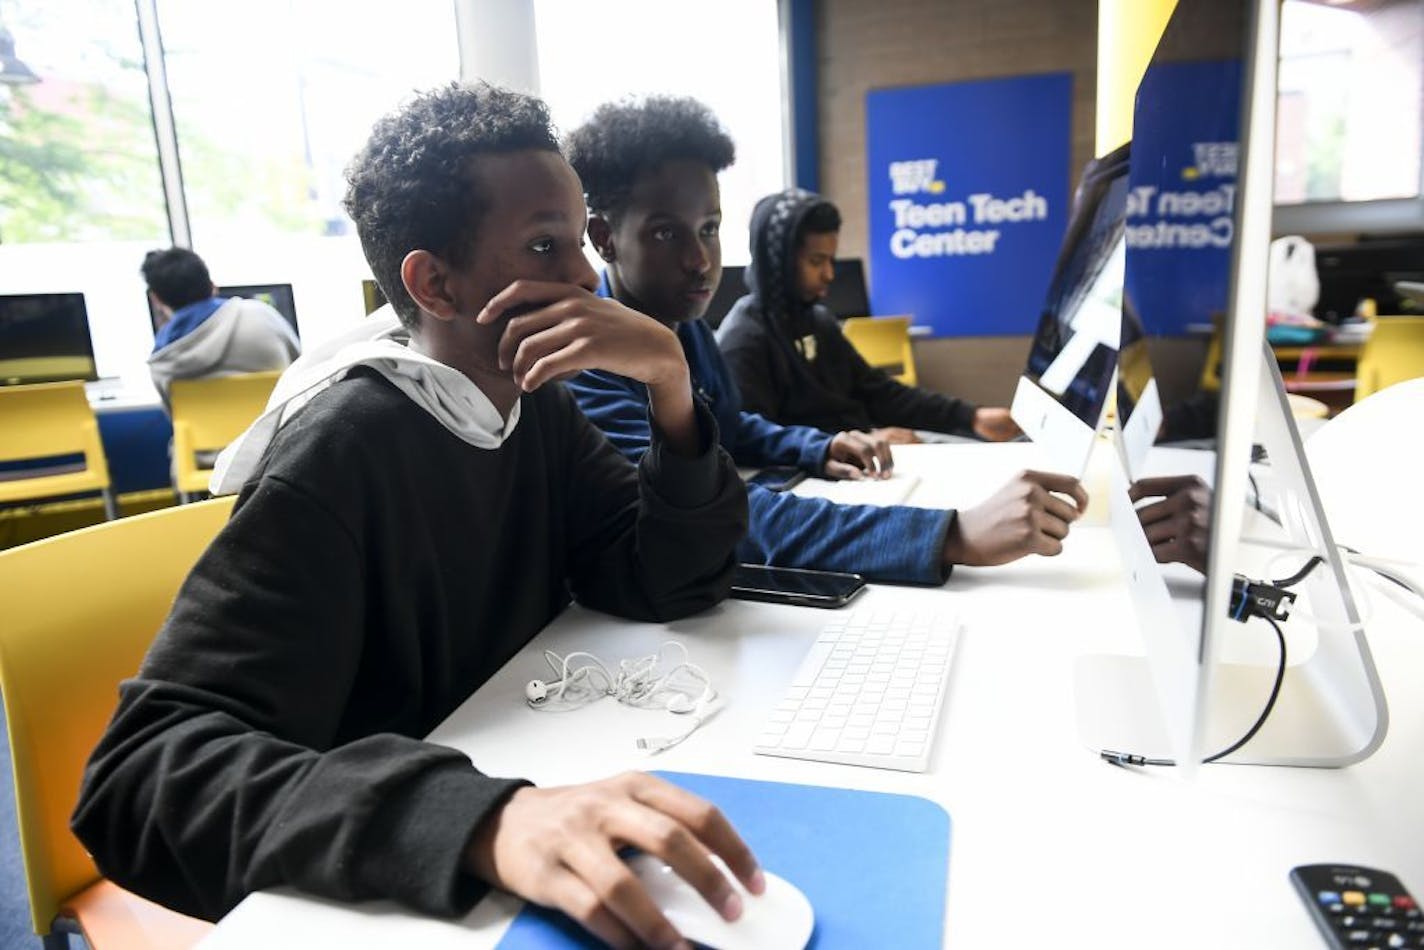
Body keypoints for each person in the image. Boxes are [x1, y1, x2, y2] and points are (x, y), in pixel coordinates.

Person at [74, 82, 765, 950]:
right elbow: (139, 780)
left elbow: (668, 578)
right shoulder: (347, 447)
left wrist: (670, 386)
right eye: (547, 246)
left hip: (500, 791)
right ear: (434, 282)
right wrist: (482, 820)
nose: (588, 276)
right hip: (395, 878)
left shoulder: (529, 405)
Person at [563, 96, 1088, 586]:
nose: (700, 260)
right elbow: (712, 513)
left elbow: (730, 423)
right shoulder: (585, 366)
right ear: (605, 238)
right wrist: (953, 534)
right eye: (664, 233)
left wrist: (817, 445)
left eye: (709, 229)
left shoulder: (685, 325)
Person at [716, 189, 1021, 446]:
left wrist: (971, 416)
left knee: (1000, 451)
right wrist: (863, 440)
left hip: (864, 449)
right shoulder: (744, 341)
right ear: (778, 264)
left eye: (831, 260)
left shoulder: (818, 322)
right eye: (816, 261)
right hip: (832, 468)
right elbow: (760, 443)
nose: (829, 274)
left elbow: (881, 393)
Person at [142, 247, 300, 402]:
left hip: (206, 429)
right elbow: (301, 370)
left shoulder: (161, 359)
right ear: (212, 285)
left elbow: (177, 415)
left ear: (156, 299)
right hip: (279, 427)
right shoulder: (262, 315)